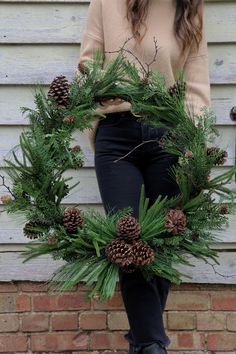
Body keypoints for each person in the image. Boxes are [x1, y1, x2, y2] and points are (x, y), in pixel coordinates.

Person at [77, 1, 211, 353]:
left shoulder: (189, 8)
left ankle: (145, 344)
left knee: (161, 243)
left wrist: (193, 142)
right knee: (128, 238)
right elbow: (88, 66)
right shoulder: (106, 2)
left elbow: (195, 86)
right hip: (117, 134)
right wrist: (96, 126)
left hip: (169, 135)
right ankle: (153, 345)